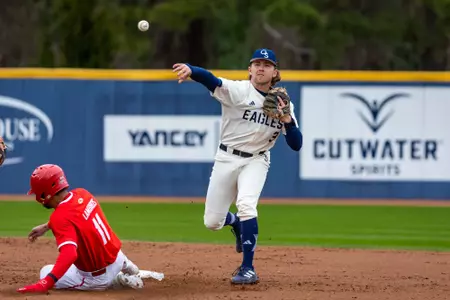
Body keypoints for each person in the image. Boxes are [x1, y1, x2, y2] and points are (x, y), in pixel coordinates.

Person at [172, 48, 303, 284]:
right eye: (257, 63)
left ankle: (248, 268)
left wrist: (287, 120)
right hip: (226, 158)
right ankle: (236, 224)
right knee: (212, 222)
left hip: (257, 159)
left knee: (246, 204)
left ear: (275, 72)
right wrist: (192, 71)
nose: (261, 68)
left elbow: (296, 144)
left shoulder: (283, 104)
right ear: (250, 69)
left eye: (267, 64)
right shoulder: (237, 90)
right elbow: (211, 80)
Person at [17, 164, 147, 293]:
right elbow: (75, 217)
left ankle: (117, 280)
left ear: (45, 193)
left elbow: (69, 254)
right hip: (117, 257)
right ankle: (129, 267)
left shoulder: (59, 217)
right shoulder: (83, 194)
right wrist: (47, 226)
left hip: (98, 278)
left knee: (45, 271)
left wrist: (45, 283)